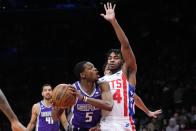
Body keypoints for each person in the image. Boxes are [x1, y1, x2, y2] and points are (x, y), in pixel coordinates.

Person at [97, 3, 162, 130]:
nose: (111, 60)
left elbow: (125, 45)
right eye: (109, 58)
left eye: (116, 58)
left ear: (122, 61)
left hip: (125, 122)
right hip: (105, 122)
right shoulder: (100, 81)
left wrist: (113, 22)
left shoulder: (127, 72)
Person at [67, 61, 113, 131]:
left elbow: (109, 106)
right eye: (90, 68)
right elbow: (59, 112)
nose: (95, 69)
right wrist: (66, 126)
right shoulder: (73, 89)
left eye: (94, 67)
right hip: (76, 128)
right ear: (83, 75)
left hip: (94, 128)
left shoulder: (102, 86)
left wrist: (84, 98)